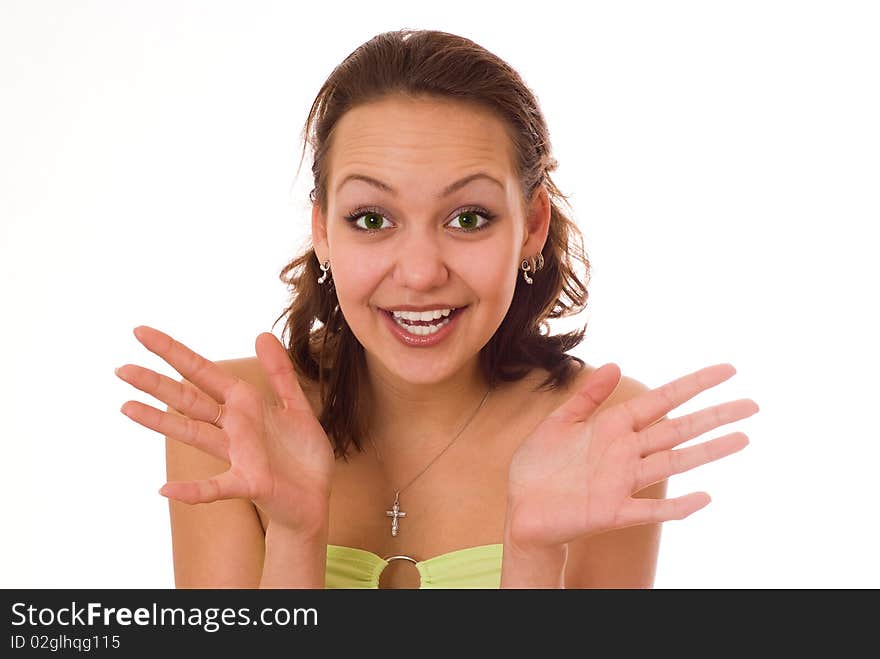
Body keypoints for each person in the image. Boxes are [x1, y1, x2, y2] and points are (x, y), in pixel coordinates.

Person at [115, 29, 759, 589]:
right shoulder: (232, 417)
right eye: (371, 218)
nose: (421, 273)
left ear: (531, 226)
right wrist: (295, 536)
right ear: (323, 231)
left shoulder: (605, 432)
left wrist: (534, 558)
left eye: (468, 217)